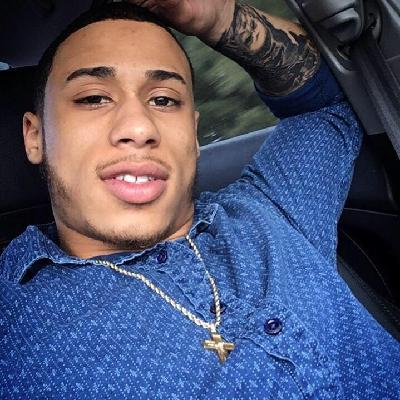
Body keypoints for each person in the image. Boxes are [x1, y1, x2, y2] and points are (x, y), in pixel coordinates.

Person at [0, 0, 398, 398]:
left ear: (192, 134)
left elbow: (324, 102)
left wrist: (220, 16)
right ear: (35, 137)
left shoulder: (271, 204)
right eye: (93, 98)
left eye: (164, 100)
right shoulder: (14, 320)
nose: (139, 127)